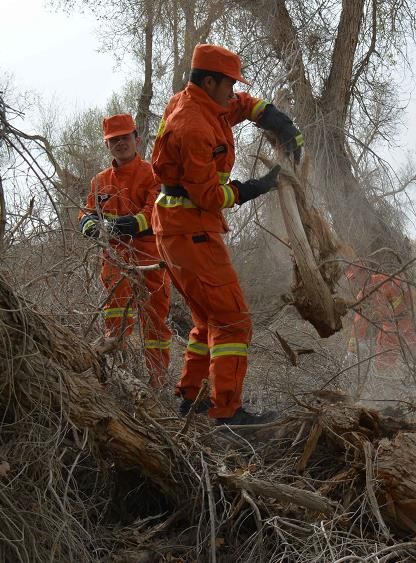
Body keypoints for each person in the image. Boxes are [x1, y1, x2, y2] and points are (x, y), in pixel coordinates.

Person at [150, 44, 303, 425]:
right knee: (233, 321)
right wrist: (258, 186)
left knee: (207, 319)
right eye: (229, 84)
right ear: (210, 81)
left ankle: (192, 399)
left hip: (178, 229)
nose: (233, 92)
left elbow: (239, 106)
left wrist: (274, 118)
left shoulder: (203, 103)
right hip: (191, 229)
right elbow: (209, 196)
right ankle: (227, 412)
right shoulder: (193, 125)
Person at [79, 113, 171, 388]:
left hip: (150, 260)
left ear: (136, 139)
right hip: (114, 262)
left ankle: (157, 384)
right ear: (107, 145)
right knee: (115, 323)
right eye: (114, 140)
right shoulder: (100, 181)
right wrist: (88, 225)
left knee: (155, 324)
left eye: (125, 138)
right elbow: (85, 212)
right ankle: (119, 380)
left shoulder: (153, 173)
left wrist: (113, 226)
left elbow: (151, 215)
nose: (120, 143)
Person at [346, 264, 416, 387]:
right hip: (389, 331)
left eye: (355, 278)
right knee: (383, 367)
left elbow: (411, 292)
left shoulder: (387, 280)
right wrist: (352, 348)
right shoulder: (362, 297)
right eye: (352, 280)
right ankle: (389, 390)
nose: (355, 283)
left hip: (408, 324)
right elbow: (360, 321)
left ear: (365, 272)